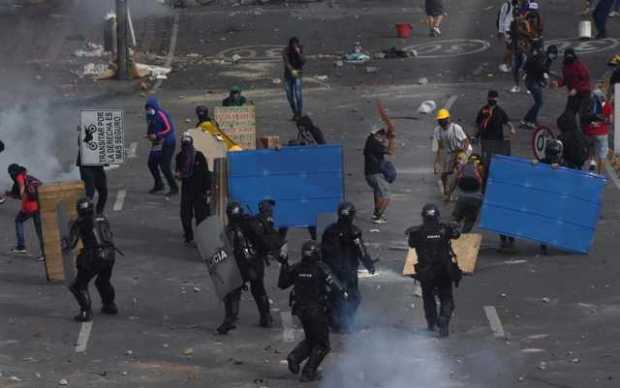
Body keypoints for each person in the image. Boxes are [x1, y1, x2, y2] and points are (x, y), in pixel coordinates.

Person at [278, 240, 347, 382]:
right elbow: (338, 288)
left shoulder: (297, 268)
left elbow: (282, 284)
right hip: (316, 311)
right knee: (322, 345)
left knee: (311, 339)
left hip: (300, 311)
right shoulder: (321, 268)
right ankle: (308, 372)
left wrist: (284, 263)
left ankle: (295, 357)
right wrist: (344, 293)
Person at [217, 202, 278, 334]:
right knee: (259, 290)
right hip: (255, 263)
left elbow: (226, 252)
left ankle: (231, 319)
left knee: (233, 292)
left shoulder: (229, 231)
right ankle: (266, 317)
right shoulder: (253, 223)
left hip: (240, 266)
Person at [406, 204, 461, 337]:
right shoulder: (445, 229)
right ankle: (443, 319)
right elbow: (457, 234)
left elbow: (412, 244)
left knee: (428, 298)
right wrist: (452, 226)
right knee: (446, 297)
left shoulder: (416, 232)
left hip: (426, 271)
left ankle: (431, 324)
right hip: (444, 270)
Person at [321, 202, 376, 333]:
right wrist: (369, 265)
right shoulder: (354, 232)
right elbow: (361, 251)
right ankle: (344, 322)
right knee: (353, 297)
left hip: (331, 270)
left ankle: (333, 321)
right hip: (348, 270)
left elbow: (322, 251)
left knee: (335, 295)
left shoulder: (329, 230)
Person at [66, 198, 118, 322]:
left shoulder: (80, 222)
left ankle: (85, 312)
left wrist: (68, 234)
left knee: (78, 285)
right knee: (103, 281)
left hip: (94, 256)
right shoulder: (102, 218)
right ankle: (110, 305)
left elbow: (71, 244)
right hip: (110, 254)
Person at [363, 100, 396, 224]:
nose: (384, 137)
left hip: (370, 174)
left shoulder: (370, 140)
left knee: (378, 193)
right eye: (381, 134)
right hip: (375, 174)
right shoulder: (374, 143)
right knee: (386, 196)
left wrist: (389, 126)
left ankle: (376, 215)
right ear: (376, 134)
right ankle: (377, 216)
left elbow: (387, 132)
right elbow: (391, 151)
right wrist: (392, 138)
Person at [175, 133, 211, 246]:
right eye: (184, 145)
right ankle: (188, 235)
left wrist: (208, 189)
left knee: (202, 216)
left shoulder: (199, 156)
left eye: (188, 145)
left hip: (200, 191)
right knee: (185, 215)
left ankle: (202, 238)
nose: (186, 148)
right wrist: (178, 174)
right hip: (187, 190)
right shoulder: (180, 157)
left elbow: (206, 173)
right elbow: (178, 171)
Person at [473, 90, 515, 187]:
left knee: (497, 161)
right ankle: (485, 182)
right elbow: (477, 124)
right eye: (491, 98)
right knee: (486, 162)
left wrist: (512, 129)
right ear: (488, 98)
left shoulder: (500, 111)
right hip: (486, 140)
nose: (492, 99)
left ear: (497, 99)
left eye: (494, 98)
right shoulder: (483, 110)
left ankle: (496, 180)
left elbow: (507, 121)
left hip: (497, 141)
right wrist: (475, 136)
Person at [6, 164, 44, 260]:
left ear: (13, 172)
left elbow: (22, 188)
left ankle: (21, 246)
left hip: (30, 207)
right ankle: (45, 254)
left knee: (18, 221)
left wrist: (22, 197)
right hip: (38, 204)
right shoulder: (26, 176)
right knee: (39, 230)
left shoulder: (19, 176)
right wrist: (9, 194)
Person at [433, 108, 471, 197]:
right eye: (440, 120)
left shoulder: (455, 128)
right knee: (444, 174)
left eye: (443, 120)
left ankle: (450, 193)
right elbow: (440, 147)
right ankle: (446, 191)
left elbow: (466, 141)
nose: (441, 122)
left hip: (463, 150)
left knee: (457, 171)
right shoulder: (437, 130)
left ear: (448, 119)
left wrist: (461, 157)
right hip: (452, 152)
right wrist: (437, 162)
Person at [145, 96, 178, 196]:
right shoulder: (149, 116)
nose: (148, 111)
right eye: (147, 109)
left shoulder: (162, 114)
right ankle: (159, 184)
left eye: (150, 109)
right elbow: (150, 127)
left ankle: (174, 187)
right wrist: (149, 135)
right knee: (151, 163)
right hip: (157, 143)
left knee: (165, 166)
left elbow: (169, 129)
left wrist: (158, 135)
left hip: (168, 142)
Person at [553, 48, 592, 129]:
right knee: (569, 113)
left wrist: (576, 89)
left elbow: (585, 79)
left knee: (583, 114)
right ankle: (572, 130)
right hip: (574, 94)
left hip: (584, 93)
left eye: (570, 55)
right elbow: (565, 80)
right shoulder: (565, 67)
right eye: (567, 55)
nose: (569, 57)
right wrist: (558, 84)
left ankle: (585, 133)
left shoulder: (579, 65)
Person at [447, 154, 484, 233]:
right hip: (476, 199)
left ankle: (453, 233)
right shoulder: (480, 169)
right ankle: (463, 235)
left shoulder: (462, 168)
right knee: (470, 220)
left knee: (456, 218)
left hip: (462, 198)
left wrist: (449, 195)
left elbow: (453, 183)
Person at [583, 90, 612, 174]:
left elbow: (584, 117)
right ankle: (599, 174)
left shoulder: (589, 104)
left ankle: (591, 165)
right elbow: (610, 121)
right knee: (602, 155)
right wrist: (602, 122)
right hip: (602, 133)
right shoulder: (607, 105)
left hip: (590, 132)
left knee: (592, 149)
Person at [76, 139, 108, 215]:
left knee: (103, 190)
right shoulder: (85, 128)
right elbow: (80, 142)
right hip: (86, 164)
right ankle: (86, 214)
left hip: (97, 163)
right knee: (90, 191)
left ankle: (99, 212)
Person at [521, 42, 548, 129]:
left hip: (529, 81)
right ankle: (531, 121)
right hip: (533, 82)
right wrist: (543, 79)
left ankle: (527, 119)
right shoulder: (539, 58)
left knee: (538, 102)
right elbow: (541, 69)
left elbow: (524, 68)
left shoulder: (530, 57)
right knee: (539, 102)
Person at [282, 37, 305, 121]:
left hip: (298, 74)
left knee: (298, 94)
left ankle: (299, 113)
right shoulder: (285, 51)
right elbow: (287, 63)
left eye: (296, 45)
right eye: (293, 46)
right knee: (289, 96)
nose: (295, 47)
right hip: (288, 75)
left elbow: (303, 61)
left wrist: (299, 53)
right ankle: (295, 113)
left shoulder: (300, 49)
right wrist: (292, 71)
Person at [497, 0, 515, 73]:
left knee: (513, 47)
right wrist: (501, 31)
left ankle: (510, 64)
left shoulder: (518, 4)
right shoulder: (506, 5)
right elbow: (501, 18)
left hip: (516, 29)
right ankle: (505, 64)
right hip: (508, 30)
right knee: (510, 47)